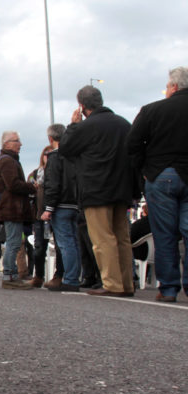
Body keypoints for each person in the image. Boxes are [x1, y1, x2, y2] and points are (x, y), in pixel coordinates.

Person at [58, 85, 138, 297]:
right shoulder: (123, 124)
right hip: (122, 188)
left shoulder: (86, 127)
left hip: (96, 189)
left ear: (82, 106)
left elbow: (65, 149)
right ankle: (126, 283)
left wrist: (73, 125)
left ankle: (112, 283)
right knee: (122, 236)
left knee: (103, 239)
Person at [127, 66, 188, 303]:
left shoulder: (152, 110)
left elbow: (132, 145)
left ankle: (169, 288)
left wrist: (145, 170)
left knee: (164, 234)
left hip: (161, 174)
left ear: (173, 86)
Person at [0, 131, 38, 290]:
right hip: (11, 208)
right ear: (7, 144)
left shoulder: (6, 160)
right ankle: (9, 276)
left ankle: (10, 274)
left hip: (10, 208)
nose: (20, 144)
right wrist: (31, 187)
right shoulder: (8, 162)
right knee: (13, 242)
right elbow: (13, 184)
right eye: (17, 141)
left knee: (14, 242)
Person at [41, 123, 81, 292]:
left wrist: (48, 208)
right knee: (74, 243)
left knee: (65, 244)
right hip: (75, 204)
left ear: (50, 138)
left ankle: (70, 279)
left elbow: (52, 184)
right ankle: (75, 276)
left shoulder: (54, 157)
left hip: (60, 205)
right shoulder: (75, 157)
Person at [24, 146, 51, 287]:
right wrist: (32, 189)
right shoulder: (35, 173)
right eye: (46, 154)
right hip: (39, 215)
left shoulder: (57, 171)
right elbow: (26, 193)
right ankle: (38, 276)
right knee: (39, 247)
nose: (48, 156)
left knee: (60, 246)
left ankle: (60, 275)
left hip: (54, 213)